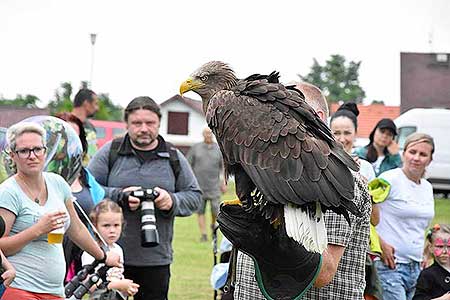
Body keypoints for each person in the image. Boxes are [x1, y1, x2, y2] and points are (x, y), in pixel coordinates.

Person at [233, 82, 372, 300]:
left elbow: (322, 274)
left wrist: (263, 239)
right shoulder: (274, 175)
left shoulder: (331, 180)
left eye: (283, 112)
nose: (271, 121)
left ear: (314, 116)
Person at [88, 96, 202, 300]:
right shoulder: (111, 151)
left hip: (156, 259)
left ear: (159, 123)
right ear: (127, 124)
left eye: (149, 123)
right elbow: (87, 189)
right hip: (112, 255)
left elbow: (195, 197)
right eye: (136, 123)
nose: (143, 128)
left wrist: (171, 201)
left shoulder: (173, 156)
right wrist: (120, 196)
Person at [0, 122, 120, 300]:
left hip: (55, 291)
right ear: (13, 156)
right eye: (24, 151)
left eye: (37, 149)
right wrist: (37, 230)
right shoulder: (8, 192)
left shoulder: (58, 183)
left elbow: (77, 229)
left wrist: (102, 256)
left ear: (45, 151)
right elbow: (1, 247)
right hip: (19, 288)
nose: (32, 156)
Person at [330, 102, 382, 300]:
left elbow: (375, 220)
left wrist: (364, 188)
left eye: (347, 133)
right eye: (336, 133)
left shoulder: (366, 168)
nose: (342, 139)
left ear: (356, 133)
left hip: (356, 248)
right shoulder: (321, 164)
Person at [374, 133, 435, 300]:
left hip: (416, 266)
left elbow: (422, 225)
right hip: (390, 265)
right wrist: (381, 244)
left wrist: (426, 252)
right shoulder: (388, 179)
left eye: (423, 154)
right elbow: (365, 215)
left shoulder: (427, 188)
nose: (416, 158)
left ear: (429, 160)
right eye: (412, 152)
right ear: (403, 153)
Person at [55, 112, 106, 282]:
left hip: (81, 261)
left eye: (74, 137)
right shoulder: (39, 176)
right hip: (48, 259)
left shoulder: (87, 179)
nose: (69, 143)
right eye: (64, 137)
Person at [82, 200, 139, 299]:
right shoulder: (91, 251)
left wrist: (127, 289)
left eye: (116, 225)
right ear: (95, 227)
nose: (112, 230)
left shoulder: (118, 249)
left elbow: (117, 276)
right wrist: (118, 285)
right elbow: (89, 285)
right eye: (106, 226)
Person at [186, 127, 226, 242]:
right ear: (203, 135)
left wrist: (223, 182)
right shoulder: (196, 148)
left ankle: (213, 226)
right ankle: (203, 234)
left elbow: (223, 168)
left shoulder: (218, 149)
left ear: (212, 134)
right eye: (206, 133)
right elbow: (188, 165)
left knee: (215, 210)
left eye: (210, 133)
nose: (208, 135)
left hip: (214, 186)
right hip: (199, 186)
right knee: (200, 211)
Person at [413, 224, 450, 300]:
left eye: (449, 247)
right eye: (440, 246)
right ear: (430, 248)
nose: (445, 251)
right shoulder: (427, 275)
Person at [72, 88, 99, 164]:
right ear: (86, 103)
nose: (97, 108)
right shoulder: (67, 125)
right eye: (95, 104)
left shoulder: (90, 127)